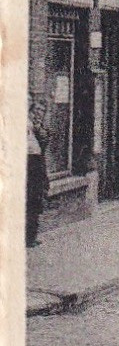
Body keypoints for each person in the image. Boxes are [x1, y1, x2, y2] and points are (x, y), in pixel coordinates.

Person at [26, 99, 48, 248]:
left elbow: (44, 143)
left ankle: (31, 236)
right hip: (28, 163)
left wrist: (39, 129)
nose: (38, 114)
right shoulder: (25, 123)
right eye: (36, 110)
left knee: (35, 200)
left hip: (37, 166)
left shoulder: (40, 127)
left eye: (41, 111)